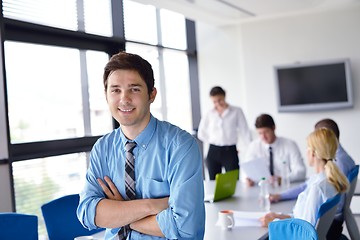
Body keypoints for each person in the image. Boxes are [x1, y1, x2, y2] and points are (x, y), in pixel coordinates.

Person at [76, 52, 205, 239]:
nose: (124, 99)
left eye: (134, 89)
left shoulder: (180, 147)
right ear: (106, 95)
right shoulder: (102, 148)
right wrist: (151, 206)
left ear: (151, 94)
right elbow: (87, 213)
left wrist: (120, 211)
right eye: (115, 90)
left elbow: (186, 228)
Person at [269, 118, 355, 239]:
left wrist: (276, 222)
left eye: (307, 148)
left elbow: (305, 230)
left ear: (313, 153)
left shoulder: (318, 188)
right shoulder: (330, 180)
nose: (306, 152)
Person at [197, 86, 252, 180]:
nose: (217, 103)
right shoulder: (209, 113)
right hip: (213, 151)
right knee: (213, 182)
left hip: (230, 151)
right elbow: (201, 133)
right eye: (214, 101)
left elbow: (245, 132)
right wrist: (213, 139)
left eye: (220, 100)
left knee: (233, 181)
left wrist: (246, 149)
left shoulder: (237, 111)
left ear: (224, 96)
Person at [244, 114, 306, 186]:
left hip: (285, 187)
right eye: (260, 133)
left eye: (266, 132)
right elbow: (246, 170)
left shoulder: (290, 145)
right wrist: (248, 179)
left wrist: (282, 179)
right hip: (262, 188)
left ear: (274, 128)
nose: (263, 137)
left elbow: (301, 171)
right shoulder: (253, 146)